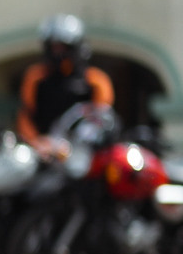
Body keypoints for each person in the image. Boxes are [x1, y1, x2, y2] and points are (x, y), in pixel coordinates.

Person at [17, 14, 115, 157]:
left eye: (63, 48)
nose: (58, 53)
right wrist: (37, 142)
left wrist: (73, 146)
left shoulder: (96, 80)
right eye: (54, 48)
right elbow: (25, 116)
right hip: (44, 154)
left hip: (82, 155)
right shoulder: (35, 77)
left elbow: (103, 119)